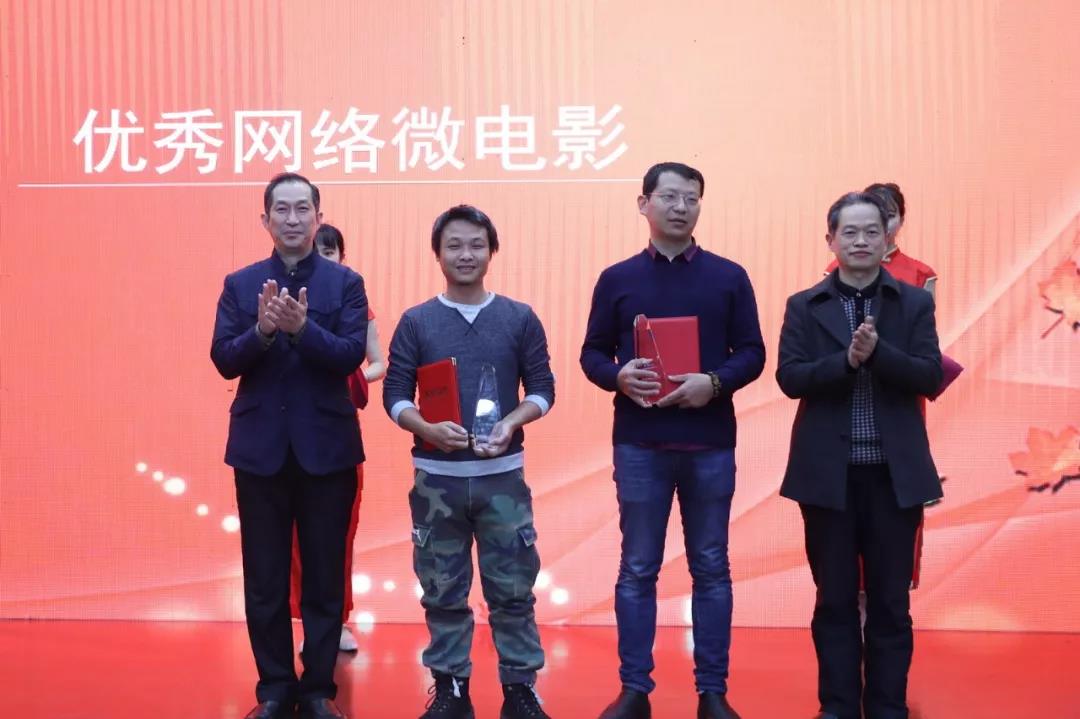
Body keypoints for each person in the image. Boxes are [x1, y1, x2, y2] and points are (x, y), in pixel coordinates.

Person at [580, 162, 765, 719]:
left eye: (691, 198)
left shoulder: (729, 276)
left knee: (711, 566)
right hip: (640, 443)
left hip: (710, 444)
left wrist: (715, 383)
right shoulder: (617, 279)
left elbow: (752, 352)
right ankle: (634, 690)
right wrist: (618, 376)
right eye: (669, 197)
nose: (681, 207)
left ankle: (713, 692)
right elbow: (591, 353)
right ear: (644, 204)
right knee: (638, 567)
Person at [382, 205, 556, 719]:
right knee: (441, 590)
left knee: (514, 590)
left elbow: (543, 388)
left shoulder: (519, 318)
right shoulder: (416, 321)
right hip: (437, 483)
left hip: (503, 481)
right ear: (437, 254)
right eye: (454, 245)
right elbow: (395, 395)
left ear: (491, 251)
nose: (466, 254)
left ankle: (519, 691)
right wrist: (426, 429)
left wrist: (511, 422)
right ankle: (451, 689)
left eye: (476, 244)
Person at [777, 191, 943, 719]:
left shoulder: (913, 303)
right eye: (849, 232)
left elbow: (930, 375)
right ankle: (838, 707)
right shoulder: (804, 305)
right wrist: (847, 362)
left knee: (892, 602)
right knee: (835, 600)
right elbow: (790, 378)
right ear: (831, 240)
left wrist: (878, 354)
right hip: (828, 479)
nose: (861, 241)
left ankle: (888, 707)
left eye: (872, 231)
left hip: (894, 479)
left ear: (888, 237)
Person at [211, 173, 367, 719]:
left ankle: (319, 689)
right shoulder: (240, 284)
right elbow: (223, 358)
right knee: (265, 578)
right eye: (283, 209)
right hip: (260, 451)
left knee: (324, 577)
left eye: (304, 209)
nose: (293, 219)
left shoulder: (346, 284)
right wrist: (261, 333)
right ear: (266, 220)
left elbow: (350, 354)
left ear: (318, 217)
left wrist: (302, 329)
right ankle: (275, 688)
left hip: (328, 449)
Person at [289, 223, 386, 654]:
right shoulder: (282, 301)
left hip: (337, 434)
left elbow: (378, 362)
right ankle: (301, 621)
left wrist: (351, 376)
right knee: (292, 537)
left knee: (338, 534)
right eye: (318, 250)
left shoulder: (355, 303)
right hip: (290, 434)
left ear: (342, 258)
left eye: (331, 252)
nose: (324, 258)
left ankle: (337, 621)